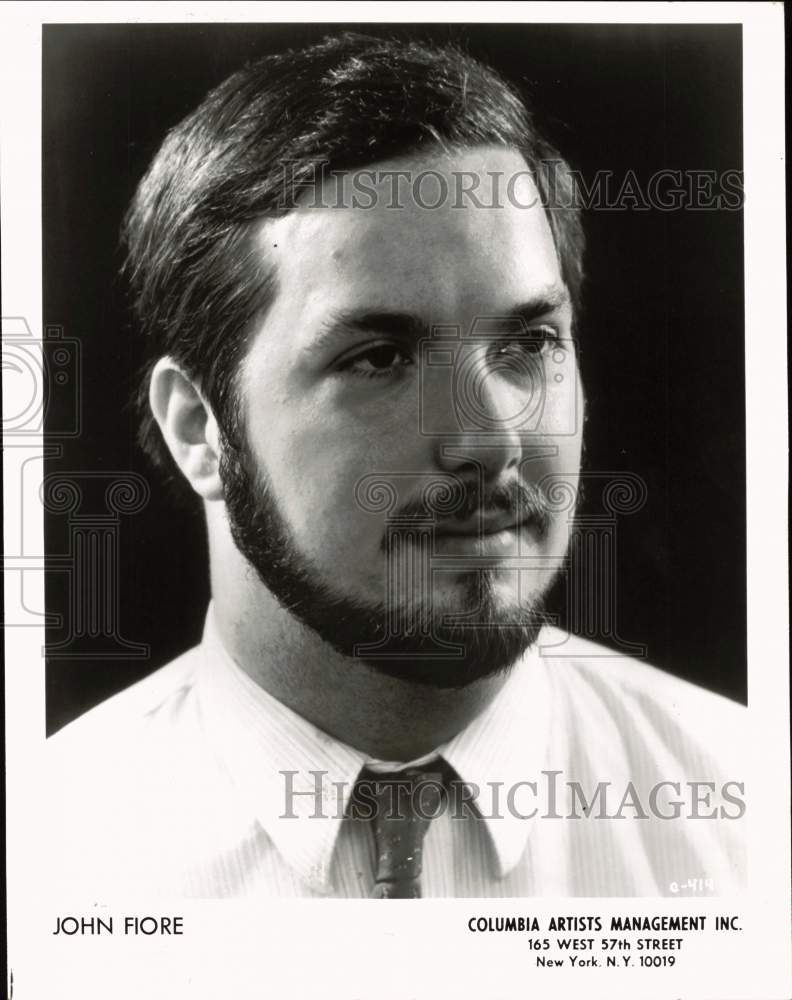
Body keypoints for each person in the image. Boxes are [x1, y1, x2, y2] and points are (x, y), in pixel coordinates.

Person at [46, 32, 745, 898]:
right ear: (199, 427)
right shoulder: (43, 858)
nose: (490, 439)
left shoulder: (750, 822)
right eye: (379, 358)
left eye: (528, 343)